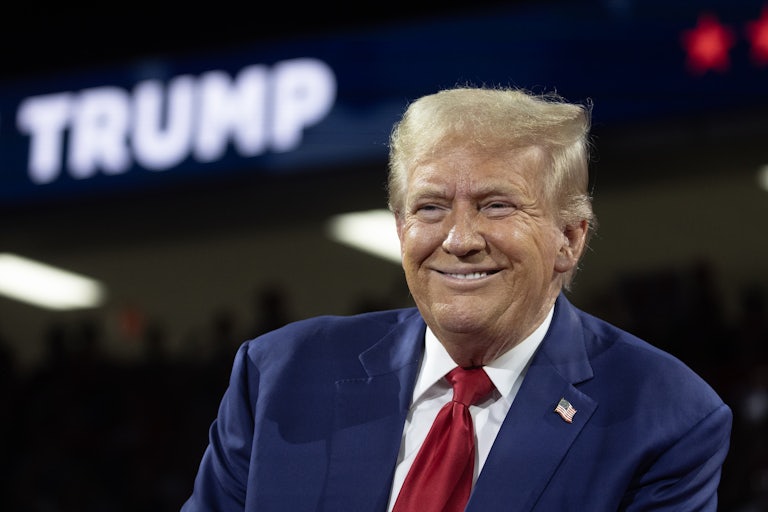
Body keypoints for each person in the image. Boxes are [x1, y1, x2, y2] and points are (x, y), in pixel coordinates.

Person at [180, 86, 732, 511]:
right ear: (400, 230)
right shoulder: (278, 376)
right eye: (430, 208)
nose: (459, 239)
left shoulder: (668, 418)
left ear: (569, 238)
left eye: (496, 205)